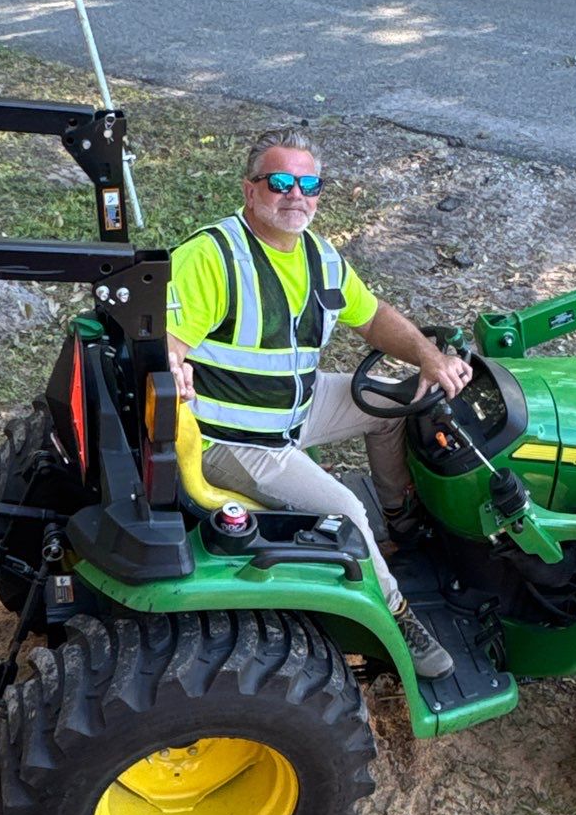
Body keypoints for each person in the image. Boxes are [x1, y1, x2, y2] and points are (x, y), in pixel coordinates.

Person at [165, 128, 471, 680]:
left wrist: (427, 357)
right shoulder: (214, 256)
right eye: (280, 182)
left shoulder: (321, 257)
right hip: (234, 439)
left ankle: (400, 523)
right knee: (346, 514)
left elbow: (373, 318)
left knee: (392, 404)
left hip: (294, 409)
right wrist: (171, 362)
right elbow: (167, 340)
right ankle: (397, 617)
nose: (295, 195)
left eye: (309, 184)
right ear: (250, 189)